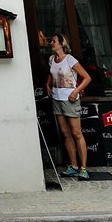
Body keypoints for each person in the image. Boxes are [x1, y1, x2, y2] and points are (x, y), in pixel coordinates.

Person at [46, 32, 92, 181]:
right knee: (65, 134)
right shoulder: (52, 59)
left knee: (76, 133)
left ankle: (83, 168)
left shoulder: (70, 59)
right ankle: (72, 166)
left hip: (70, 100)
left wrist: (75, 92)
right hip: (57, 99)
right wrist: (47, 85)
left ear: (61, 43)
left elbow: (87, 78)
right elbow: (52, 74)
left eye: (53, 41)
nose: (51, 43)